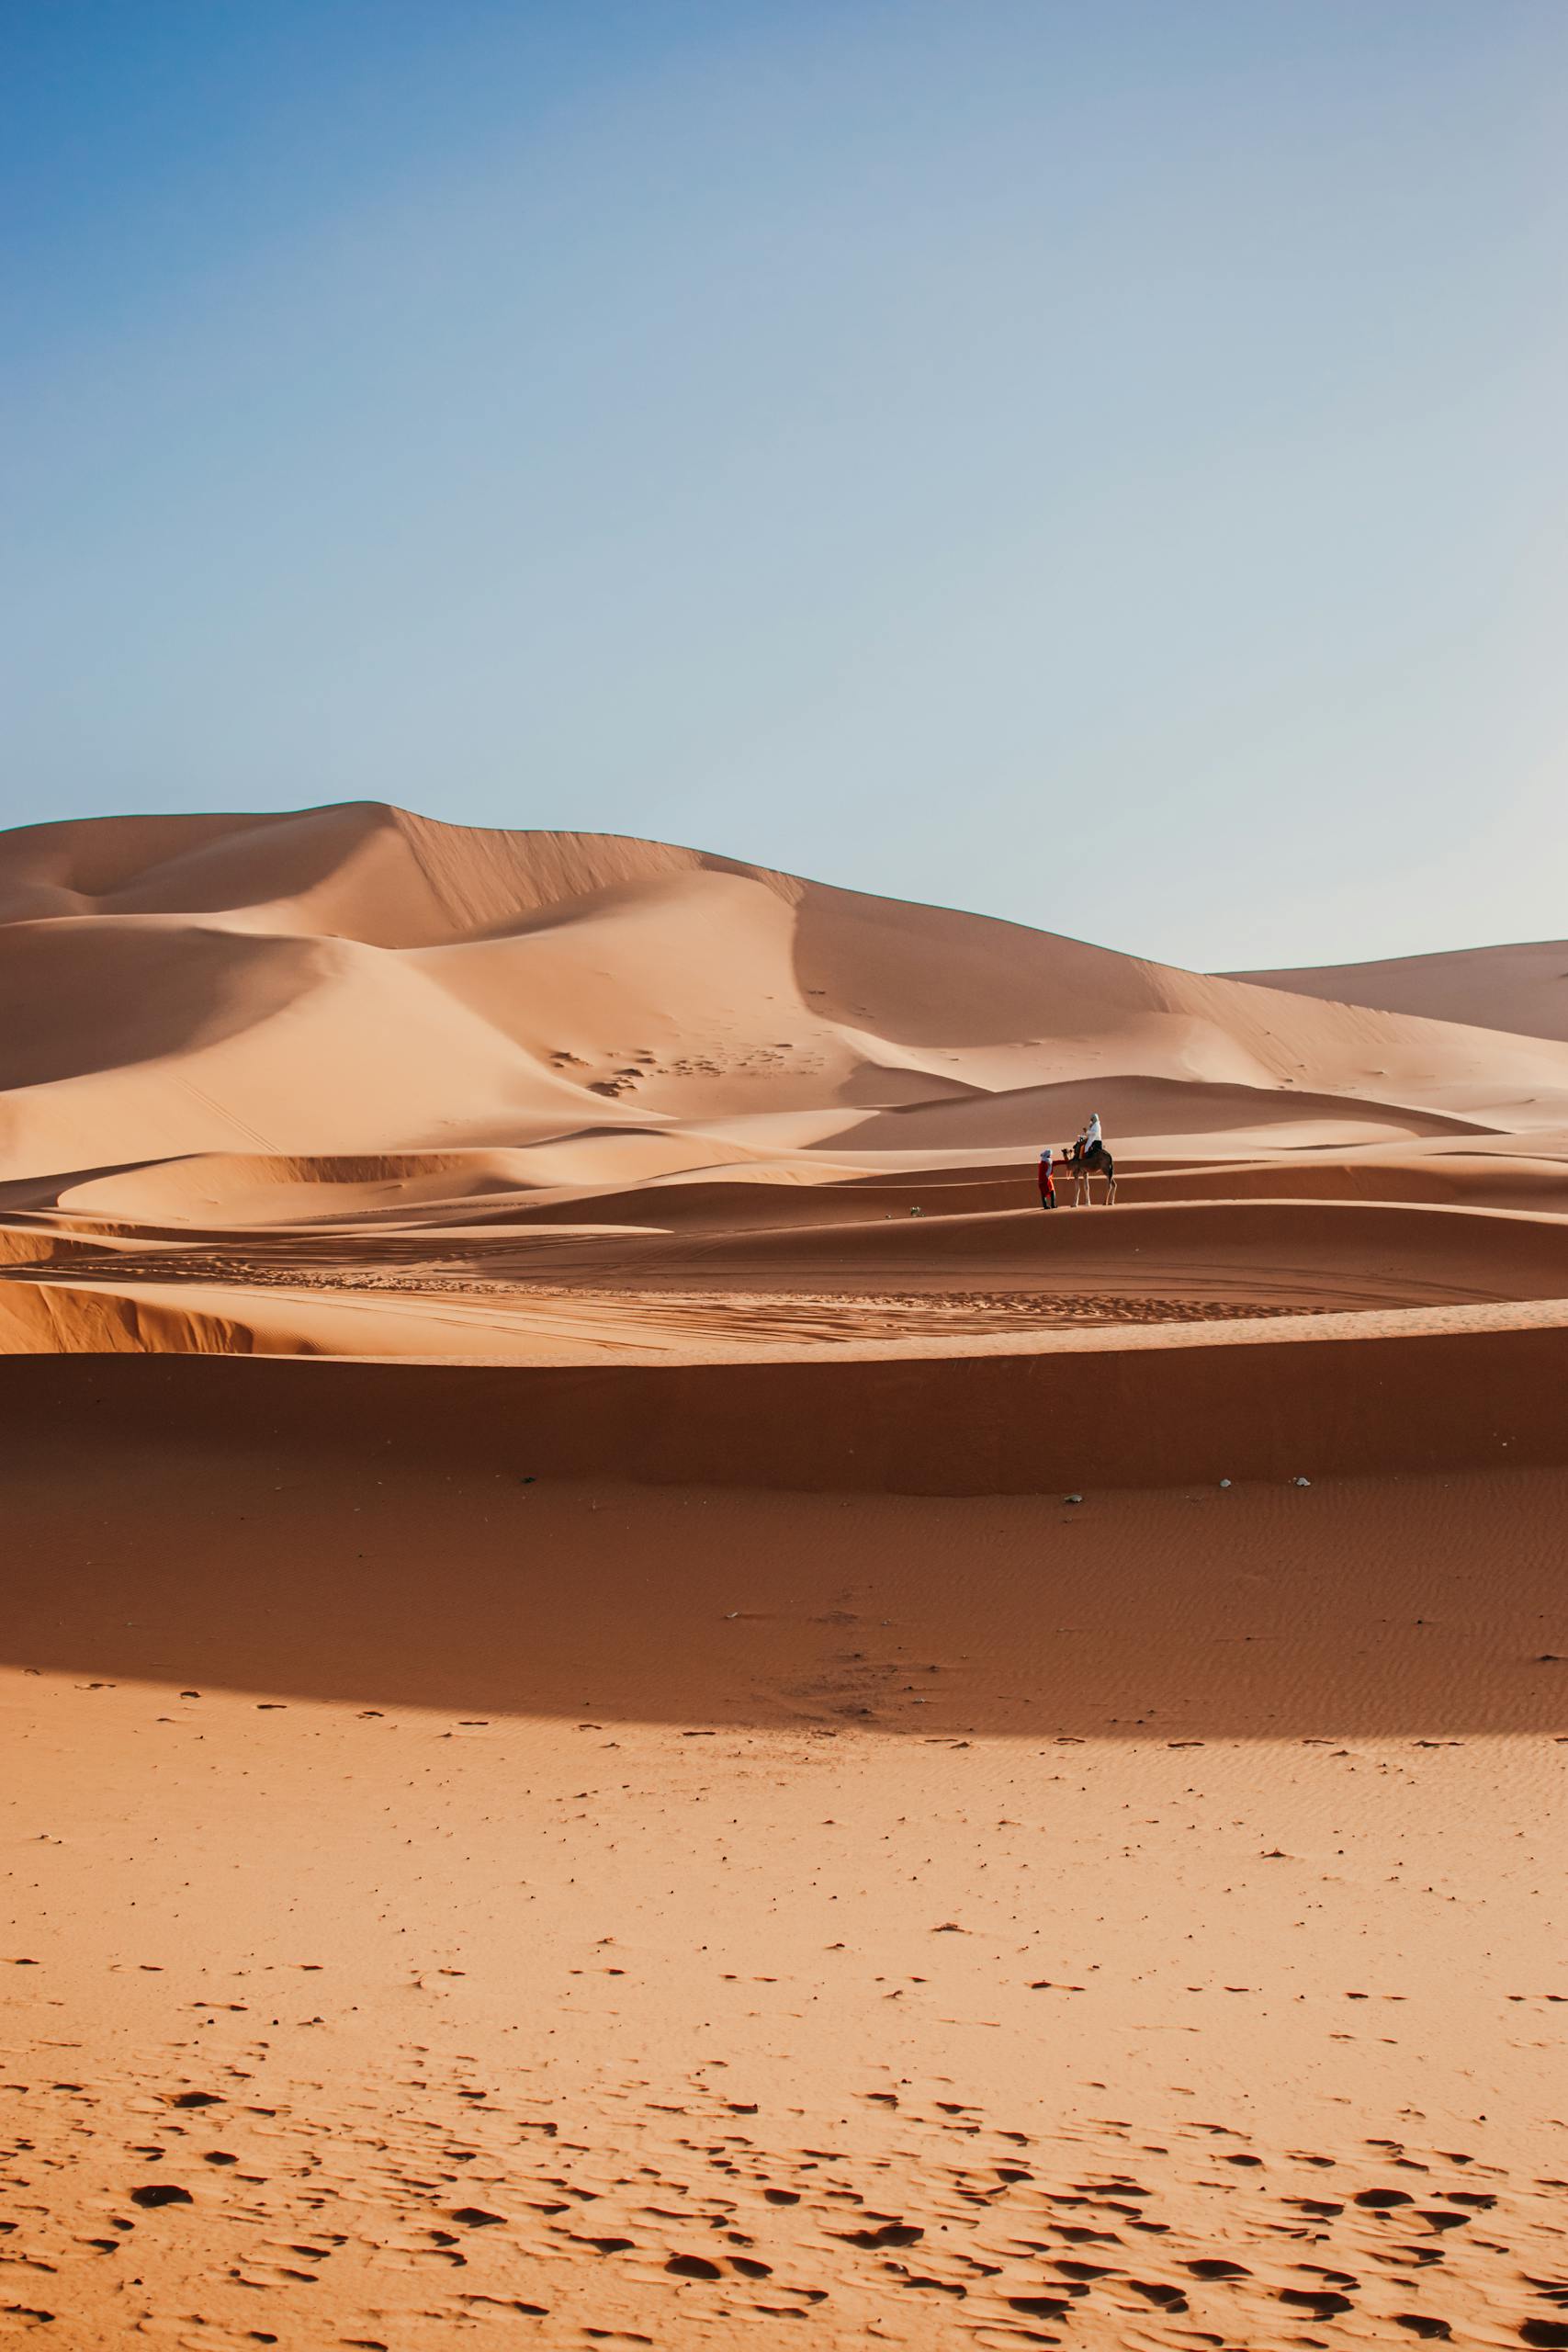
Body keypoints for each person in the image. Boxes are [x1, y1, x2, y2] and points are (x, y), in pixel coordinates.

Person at [1037, 1145, 1056, 1210]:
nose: (1051, 1156)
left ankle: (1047, 1205)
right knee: (1051, 1192)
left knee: (1044, 1193)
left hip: (1042, 1181)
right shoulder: (1045, 1163)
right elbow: (1043, 1174)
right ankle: (1051, 1205)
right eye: (1050, 1155)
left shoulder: (1045, 1162)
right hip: (1045, 1181)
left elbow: (1057, 1162)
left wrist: (1066, 1161)